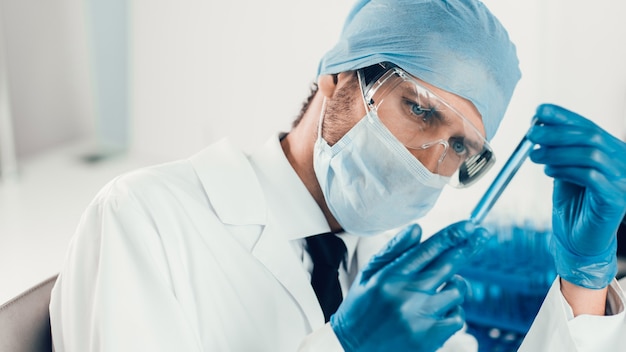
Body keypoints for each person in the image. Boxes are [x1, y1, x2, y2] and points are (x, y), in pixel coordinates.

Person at [49, 0, 626, 351]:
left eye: (458, 147)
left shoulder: (396, 270)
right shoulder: (144, 219)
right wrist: (346, 347)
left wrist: (584, 282)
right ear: (338, 77)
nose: (430, 162)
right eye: (419, 109)